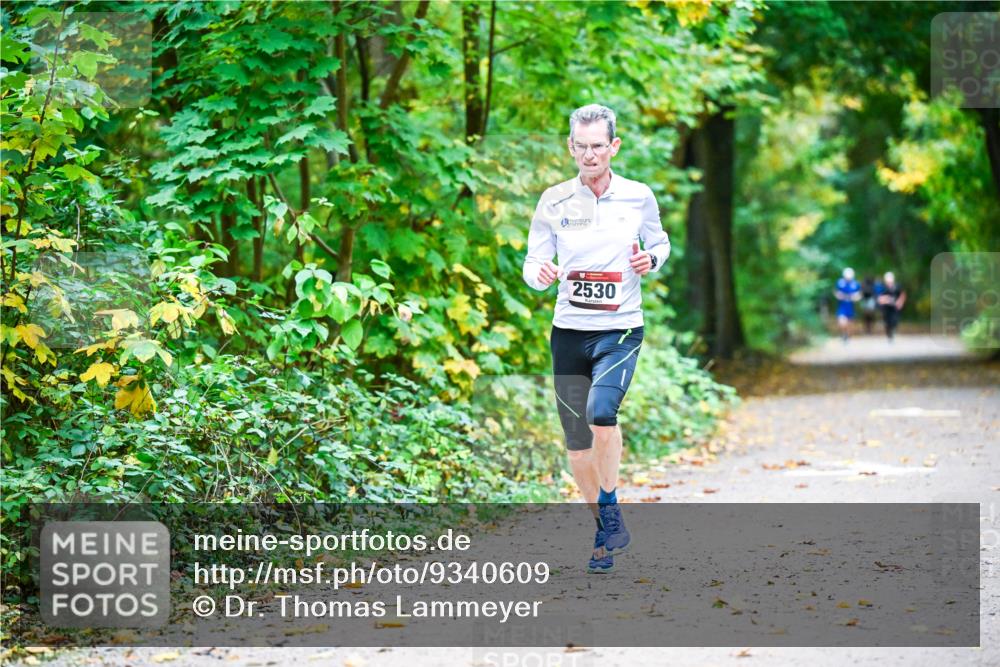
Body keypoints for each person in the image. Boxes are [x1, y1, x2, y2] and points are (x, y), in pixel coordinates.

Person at [522, 104, 670, 574]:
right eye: (581, 146)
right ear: (570, 147)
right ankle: (605, 529)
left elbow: (660, 242)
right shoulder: (554, 200)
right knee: (577, 444)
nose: (589, 155)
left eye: (598, 146)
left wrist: (652, 259)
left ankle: (608, 504)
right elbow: (533, 261)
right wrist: (539, 274)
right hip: (569, 331)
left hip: (620, 328)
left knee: (601, 412)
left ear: (614, 146)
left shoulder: (638, 196)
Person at [833, 267, 861, 342]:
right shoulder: (840, 283)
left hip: (851, 306)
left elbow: (859, 295)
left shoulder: (855, 284)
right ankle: (843, 334)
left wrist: (855, 297)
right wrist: (839, 295)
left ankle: (847, 336)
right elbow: (836, 292)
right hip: (842, 306)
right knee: (842, 322)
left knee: (850, 323)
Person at [878, 271, 906, 341]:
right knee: (887, 322)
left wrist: (900, 302)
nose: (889, 283)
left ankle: (893, 331)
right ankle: (889, 334)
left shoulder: (897, 286)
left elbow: (902, 294)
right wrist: (887, 300)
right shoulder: (882, 287)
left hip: (894, 307)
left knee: (894, 320)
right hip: (886, 308)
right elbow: (879, 298)